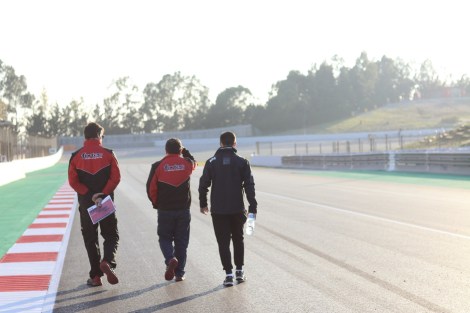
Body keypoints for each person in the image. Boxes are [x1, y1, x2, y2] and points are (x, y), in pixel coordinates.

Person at [198, 131, 257, 287]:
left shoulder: (211, 162)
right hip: (238, 208)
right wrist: (253, 206)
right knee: (238, 239)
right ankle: (239, 271)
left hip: (218, 210)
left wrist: (203, 203)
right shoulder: (242, 162)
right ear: (235, 144)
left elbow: (203, 184)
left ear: (221, 143)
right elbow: (249, 185)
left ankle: (229, 275)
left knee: (223, 242)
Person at [68, 122, 121, 287]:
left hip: (87, 203)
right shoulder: (108, 154)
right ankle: (107, 261)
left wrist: (91, 196)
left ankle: (96, 276)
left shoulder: (76, 156)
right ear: (98, 135)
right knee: (111, 235)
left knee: (91, 239)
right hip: (104, 202)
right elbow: (116, 177)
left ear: (85, 136)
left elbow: (73, 181)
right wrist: (102, 195)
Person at [146, 138, 196, 282]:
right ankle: (179, 273)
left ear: (166, 150)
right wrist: (184, 151)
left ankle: (170, 259)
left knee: (165, 238)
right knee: (182, 241)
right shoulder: (187, 164)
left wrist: (157, 204)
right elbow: (193, 161)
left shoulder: (158, 165)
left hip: (165, 209)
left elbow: (151, 189)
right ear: (180, 150)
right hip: (183, 210)